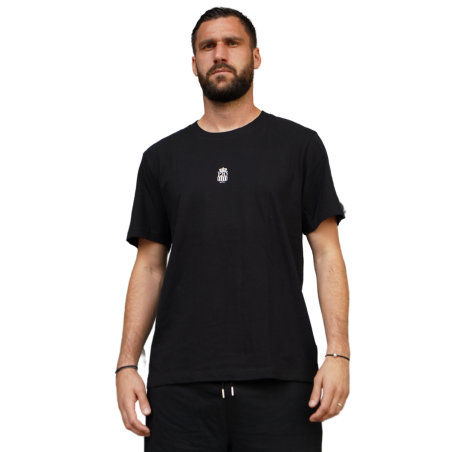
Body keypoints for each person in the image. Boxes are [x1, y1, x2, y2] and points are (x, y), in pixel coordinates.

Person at [115, 5, 351, 451]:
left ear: (257, 57)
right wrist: (126, 365)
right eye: (208, 46)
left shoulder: (300, 146)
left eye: (232, 43)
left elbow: (327, 253)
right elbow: (148, 266)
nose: (219, 54)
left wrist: (338, 353)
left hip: (284, 383)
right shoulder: (160, 158)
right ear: (193, 64)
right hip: (178, 388)